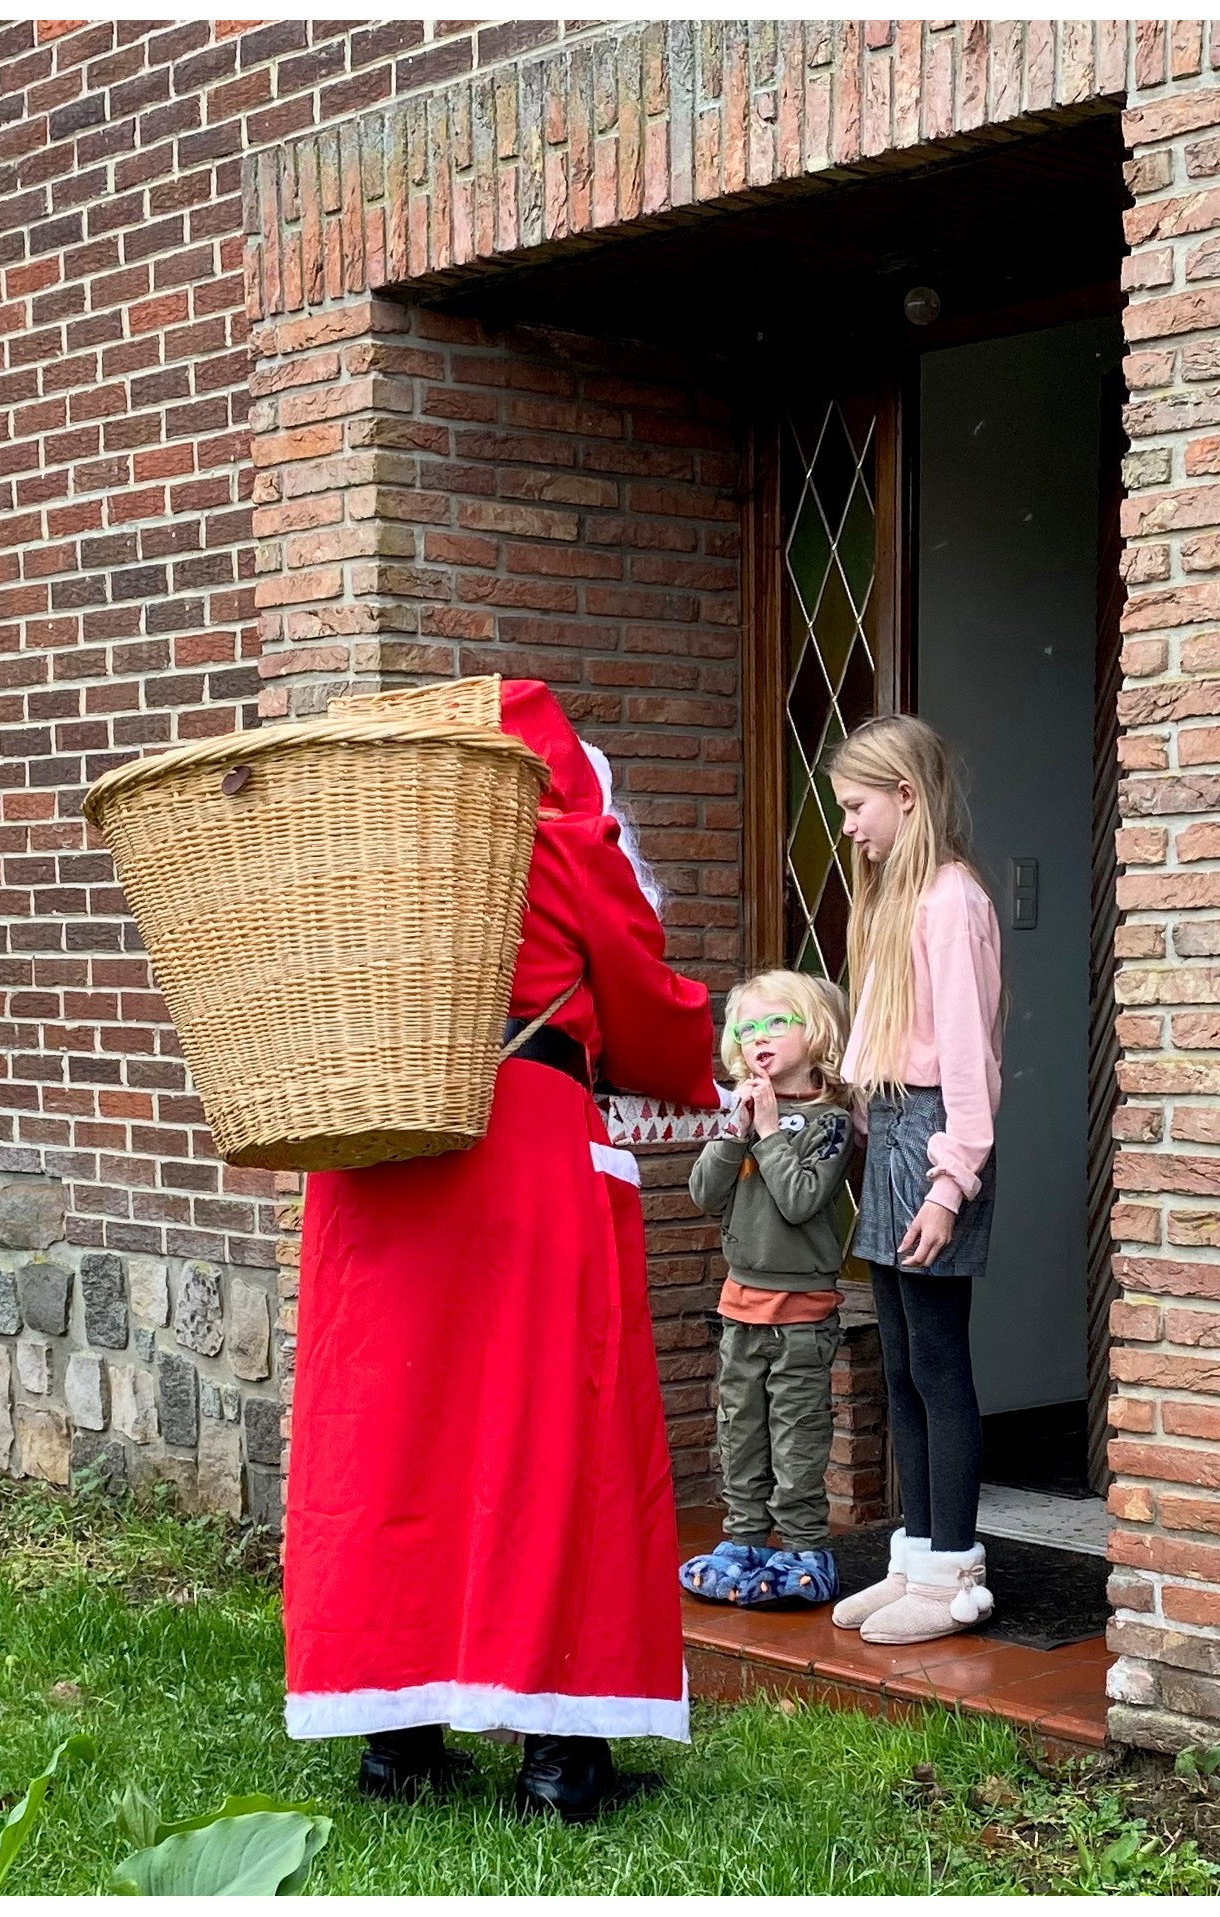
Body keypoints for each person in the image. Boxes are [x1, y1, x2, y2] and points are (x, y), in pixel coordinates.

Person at [280, 679, 724, 1822]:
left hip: (372, 1154)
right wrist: (695, 1069)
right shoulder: (560, 837)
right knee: (550, 1445)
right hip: (521, 1155)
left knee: (385, 1444)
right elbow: (642, 996)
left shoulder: (345, 849)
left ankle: (395, 1743)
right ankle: (558, 1757)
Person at [826, 715, 1003, 1646]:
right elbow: (888, 1042)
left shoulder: (951, 900)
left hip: (936, 1143)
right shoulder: (892, 899)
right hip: (892, 1129)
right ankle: (917, 1558)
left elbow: (969, 1064)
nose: (848, 826)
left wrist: (948, 1183)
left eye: (856, 807)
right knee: (896, 1364)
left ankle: (956, 1574)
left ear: (906, 793)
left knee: (938, 1365)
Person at [678, 971, 854, 1610]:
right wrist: (736, 1130)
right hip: (740, 1306)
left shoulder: (828, 1122)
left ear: (817, 1031)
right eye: (746, 1027)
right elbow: (703, 1194)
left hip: (801, 1317)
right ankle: (745, 1541)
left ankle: (805, 1548)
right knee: (741, 1429)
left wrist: (774, 1131)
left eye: (776, 1022)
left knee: (796, 1433)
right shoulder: (744, 1114)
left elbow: (802, 1200)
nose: (759, 1038)